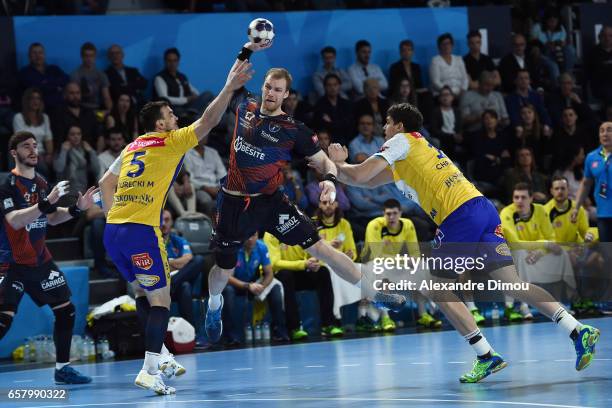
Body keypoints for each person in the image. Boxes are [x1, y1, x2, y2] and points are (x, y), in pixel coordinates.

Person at [318, 102, 600, 383]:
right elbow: (364, 182)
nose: (383, 128)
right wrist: (334, 166)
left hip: (460, 215)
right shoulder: (415, 152)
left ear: (399, 126)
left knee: (436, 286)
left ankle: (485, 355)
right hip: (481, 209)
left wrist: (338, 161)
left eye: (387, 123)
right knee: (511, 283)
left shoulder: (400, 141)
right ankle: (577, 330)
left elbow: (358, 173)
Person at [204, 43, 404, 347]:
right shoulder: (246, 107)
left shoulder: (294, 130)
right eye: (268, 87)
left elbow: (324, 161)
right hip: (233, 203)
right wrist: (246, 49)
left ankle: (376, 294)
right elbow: (234, 75)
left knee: (321, 249)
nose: (271, 93)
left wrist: (330, 181)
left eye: (278, 89)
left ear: (287, 95)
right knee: (224, 269)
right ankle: (214, 303)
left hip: (272, 203)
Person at [98, 44, 257, 395]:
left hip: (114, 232)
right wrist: (230, 87)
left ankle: (164, 355)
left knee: (143, 291)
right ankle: (149, 368)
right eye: (171, 114)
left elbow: (105, 182)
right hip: (141, 231)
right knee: (161, 301)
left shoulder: (133, 145)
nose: (175, 119)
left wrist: (112, 214)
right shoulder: (169, 142)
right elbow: (210, 120)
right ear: (161, 123)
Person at [0, 131, 97, 384]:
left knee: (66, 310)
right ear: (14, 153)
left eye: (35, 145)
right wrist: (45, 204)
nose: (33, 150)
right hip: (12, 263)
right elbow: (15, 221)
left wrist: (77, 209)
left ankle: (62, 369)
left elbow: (52, 217)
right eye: (26, 147)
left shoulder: (42, 183)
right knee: (4, 319)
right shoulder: (7, 186)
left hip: (40, 262)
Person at [362, 199, 440, 331]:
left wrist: (413, 261)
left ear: (400, 213)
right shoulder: (374, 226)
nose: (391, 217)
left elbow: (415, 253)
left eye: (394, 213)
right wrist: (404, 260)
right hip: (370, 263)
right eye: (388, 214)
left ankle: (423, 314)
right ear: (383, 214)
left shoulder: (407, 224)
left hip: (394, 262)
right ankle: (385, 317)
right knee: (380, 268)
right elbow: (377, 256)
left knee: (421, 266)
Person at [500, 182, 577, 318]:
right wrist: (544, 245)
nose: (519, 201)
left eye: (523, 197)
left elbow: (551, 238)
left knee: (560, 253)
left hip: (535, 253)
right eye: (516, 197)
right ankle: (522, 305)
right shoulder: (507, 213)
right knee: (520, 253)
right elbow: (515, 243)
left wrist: (541, 251)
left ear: (531, 199)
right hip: (514, 257)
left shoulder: (540, 210)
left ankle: (557, 303)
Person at [222, 232, 288, 344]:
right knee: (228, 292)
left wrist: (262, 286)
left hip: (253, 284)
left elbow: (269, 273)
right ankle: (230, 336)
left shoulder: (261, 247)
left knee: (275, 288)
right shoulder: (233, 248)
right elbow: (227, 277)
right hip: (234, 284)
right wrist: (247, 286)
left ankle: (280, 332)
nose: (251, 239)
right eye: (248, 235)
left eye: (254, 235)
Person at [161, 209, 205, 326]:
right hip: (160, 284)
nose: (163, 224)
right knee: (184, 285)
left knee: (199, 260)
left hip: (174, 284)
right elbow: (157, 266)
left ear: (172, 222)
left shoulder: (178, 240)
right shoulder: (151, 241)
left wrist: (168, 263)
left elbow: (189, 258)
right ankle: (191, 332)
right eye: (161, 220)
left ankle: (189, 333)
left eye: (167, 220)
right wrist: (178, 265)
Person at [573, 122, 612, 243]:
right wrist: (576, 207)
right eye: (602, 131)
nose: (605, 133)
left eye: (609, 130)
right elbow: (585, 184)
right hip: (603, 213)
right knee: (608, 256)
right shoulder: (591, 157)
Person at [153, 48, 212, 119]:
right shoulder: (160, 78)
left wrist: (194, 97)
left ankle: (193, 113)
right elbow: (164, 99)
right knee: (185, 113)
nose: (172, 64)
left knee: (208, 94)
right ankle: (193, 116)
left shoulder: (181, 77)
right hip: (173, 108)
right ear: (165, 61)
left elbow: (195, 92)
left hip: (189, 107)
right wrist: (186, 99)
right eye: (169, 61)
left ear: (178, 61)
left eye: (175, 60)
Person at [54, 125, 100, 206]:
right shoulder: (62, 150)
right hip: (67, 194)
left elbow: (97, 170)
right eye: (72, 134)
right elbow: (58, 169)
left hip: (84, 193)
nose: (76, 137)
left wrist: (91, 151)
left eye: (78, 134)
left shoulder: (86, 152)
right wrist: (64, 151)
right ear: (67, 136)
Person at [12, 87, 54, 176]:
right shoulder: (18, 117)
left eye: (38, 98)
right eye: (32, 98)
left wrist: (49, 154)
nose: (35, 101)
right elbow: (21, 140)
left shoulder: (45, 117)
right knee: (42, 168)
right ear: (27, 101)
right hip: (25, 152)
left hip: (41, 153)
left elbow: (48, 139)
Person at [18, 43, 69, 110]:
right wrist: (56, 87)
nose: (38, 56)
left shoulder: (53, 68)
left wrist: (47, 82)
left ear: (44, 55)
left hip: (61, 107)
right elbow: (36, 89)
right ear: (29, 56)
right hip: (40, 110)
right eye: (34, 53)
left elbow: (67, 80)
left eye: (40, 53)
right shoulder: (24, 72)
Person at [183, 137, 227, 215]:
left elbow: (223, 174)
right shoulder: (186, 154)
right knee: (206, 200)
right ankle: (207, 225)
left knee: (233, 199)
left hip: (216, 187)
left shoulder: (213, 152)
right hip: (199, 188)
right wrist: (205, 187)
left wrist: (220, 187)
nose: (203, 136)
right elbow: (189, 178)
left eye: (206, 133)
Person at [460, 71, 509, 135]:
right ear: (479, 83)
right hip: (476, 132)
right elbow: (462, 120)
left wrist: (496, 121)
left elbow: (506, 119)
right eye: (487, 85)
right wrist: (480, 117)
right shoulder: (467, 96)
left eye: (492, 85)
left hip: (497, 131)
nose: (490, 88)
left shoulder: (497, 95)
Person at [312, 73, 354, 146]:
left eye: (335, 85)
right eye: (329, 85)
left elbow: (348, 124)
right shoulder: (319, 105)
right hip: (327, 141)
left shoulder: (347, 104)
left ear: (339, 86)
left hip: (345, 139)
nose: (332, 88)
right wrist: (339, 123)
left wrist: (331, 123)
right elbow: (321, 126)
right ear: (324, 87)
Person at [71, 42, 112, 112]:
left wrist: (109, 112)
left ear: (95, 56)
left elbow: (106, 97)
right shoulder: (75, 74)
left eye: (91, 56)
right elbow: (74, 99)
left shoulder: (101, 75)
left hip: (98, 110)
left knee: (109, 120)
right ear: (82, 56)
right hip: (82, 110)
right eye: (86, 56)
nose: (89, 59)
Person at [429, 33, 469, 97]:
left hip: (461, 93)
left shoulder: (459, 59)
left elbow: (465, 79)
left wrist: (463, 91)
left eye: (448, 43)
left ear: (452, 45)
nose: (446, 46)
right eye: (443, 44)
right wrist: (449, 93)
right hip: (443, 94)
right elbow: (435, 82)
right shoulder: (435, 60)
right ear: (439, 46)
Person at [585, 25, 612, 105]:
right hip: (600, 86)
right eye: (604, 35)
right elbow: (589, 74)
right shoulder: (593, 53)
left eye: (610, 36)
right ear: (599, 37)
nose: (607, 38)